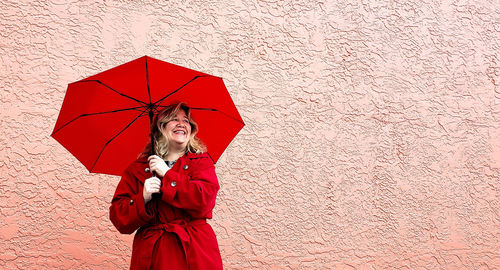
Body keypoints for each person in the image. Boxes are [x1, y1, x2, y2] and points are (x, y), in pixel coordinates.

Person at [109, 103, 223, 269]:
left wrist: (167, 175)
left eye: (186, 121)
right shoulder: (138, 168)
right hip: (153, 254)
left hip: (195, 252)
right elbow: (119, 218)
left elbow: (204, 200)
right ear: (160, 128)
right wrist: (143, 198)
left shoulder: (201, 162)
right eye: (173, 119)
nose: (181, 124)